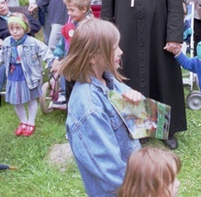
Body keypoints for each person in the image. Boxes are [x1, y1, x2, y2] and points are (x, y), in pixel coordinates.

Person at [101, 0, 186, 149]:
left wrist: (174, 36)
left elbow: (174, 3)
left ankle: (166, 130)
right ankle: (138, 129)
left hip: (159, 35)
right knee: (131, 82)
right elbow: (107, 6)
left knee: (162, 79)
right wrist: (107, 40)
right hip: (124, 37)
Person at [58, 18, 142, 196]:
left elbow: (140, 120)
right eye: (114, 48)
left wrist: (137, 103)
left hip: (132, 178)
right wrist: (140, 190)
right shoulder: (89, 109)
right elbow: (108, 170)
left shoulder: (110, 81)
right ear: (94, 57)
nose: (121, 52)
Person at [0, 13, 55, 137]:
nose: (14, 32)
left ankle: (31, 122)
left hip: (28, 75)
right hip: (13, 74)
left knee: (30, 99)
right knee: (16, 101)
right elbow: (1, 56)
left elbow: (46, 51)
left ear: (25, 27)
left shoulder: (32, 42)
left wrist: (52, 62)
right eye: (11, 28)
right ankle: (23, 121)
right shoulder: (7, 42)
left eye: (18, 28)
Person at [0, 0, 41, 110]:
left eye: (3, 3)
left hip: (24, 50)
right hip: (7, 53)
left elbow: (36, 25)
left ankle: (29, 92)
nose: (1, 6)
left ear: (7, 3)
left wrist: (20, 31)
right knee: (4, 65)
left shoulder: (19, 15)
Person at [52, 0, 92, 109]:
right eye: (68, 10)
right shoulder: (68, 27)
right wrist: (56, 57)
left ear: (84, 9)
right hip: (70, 68)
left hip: (84, 69)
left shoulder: (90, 27)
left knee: (83, 95)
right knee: (70, 94)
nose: (69, 13)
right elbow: (61, 45)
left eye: (72, 10)